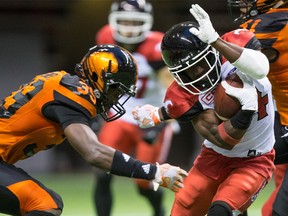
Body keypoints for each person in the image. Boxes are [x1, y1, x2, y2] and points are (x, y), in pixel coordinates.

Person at [0, 44, 188, 216]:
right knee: (45, 203)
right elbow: (94, 153)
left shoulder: (65, 85)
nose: (115, 98)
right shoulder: (74, 93)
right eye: (115, 90)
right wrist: (154, 172)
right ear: (97, 77)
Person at [132, 4, 275, 216]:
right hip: (214, 157)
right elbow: (223, 139)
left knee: (220, 211)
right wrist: (246, 111)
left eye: (199, 63)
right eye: (186, 71)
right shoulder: (182, 95)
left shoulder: (234, 43)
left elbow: (261, 67)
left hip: (254, 160)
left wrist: (216, 41)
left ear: (211, 50)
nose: (196, 73)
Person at [93, 1, 179, 216]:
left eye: (135, 22)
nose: (129, 27)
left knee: (144, 182)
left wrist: (162, 124)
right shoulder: (105, 37)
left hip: (151, 117)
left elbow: (173, 91)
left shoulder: (157, 46)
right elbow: (99, 78)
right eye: (124, 21)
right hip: (119, 116)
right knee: (102, 172)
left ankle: (159, 211)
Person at [226, 1, 288, 215]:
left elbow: (229, 58)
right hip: (283, 121)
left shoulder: (272, 24)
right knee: (227, 161)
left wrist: (208, 41)